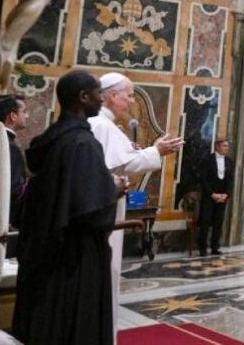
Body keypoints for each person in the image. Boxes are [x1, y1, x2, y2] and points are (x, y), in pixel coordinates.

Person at [11, 70, 121, 345]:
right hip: (76, 257)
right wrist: (113, 188)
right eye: (98, 94)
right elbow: (90, 210)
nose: (102, 100)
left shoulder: (51, 138)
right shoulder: (82, 143)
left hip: (46, 250)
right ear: (83, 97)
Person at [89, 72, 182, 335]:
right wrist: (157, 150)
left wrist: (144, 150)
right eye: (129, 95)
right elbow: (124, 164)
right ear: (112, 95)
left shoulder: (101, 125)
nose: (131, 101)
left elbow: (120, 159)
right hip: (103, 205)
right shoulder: (102, 125)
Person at [0, 95, 29, 231]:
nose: (27, 116)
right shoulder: (9, 147)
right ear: (13, 116)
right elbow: (13, 189)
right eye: (24, 111)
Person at [198, 139, 233, 256]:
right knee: (205, 222)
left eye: (227, 146)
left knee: (219, 222)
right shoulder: (207, 160)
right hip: (209, 196)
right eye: (224, 146)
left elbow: (230, 180)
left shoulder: (229, 161)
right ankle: (202, 248)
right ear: (217, 146)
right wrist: (212, 194)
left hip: (222, 196)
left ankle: (215, 247)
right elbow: (203, 179)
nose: (227, 148)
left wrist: (226, 194)